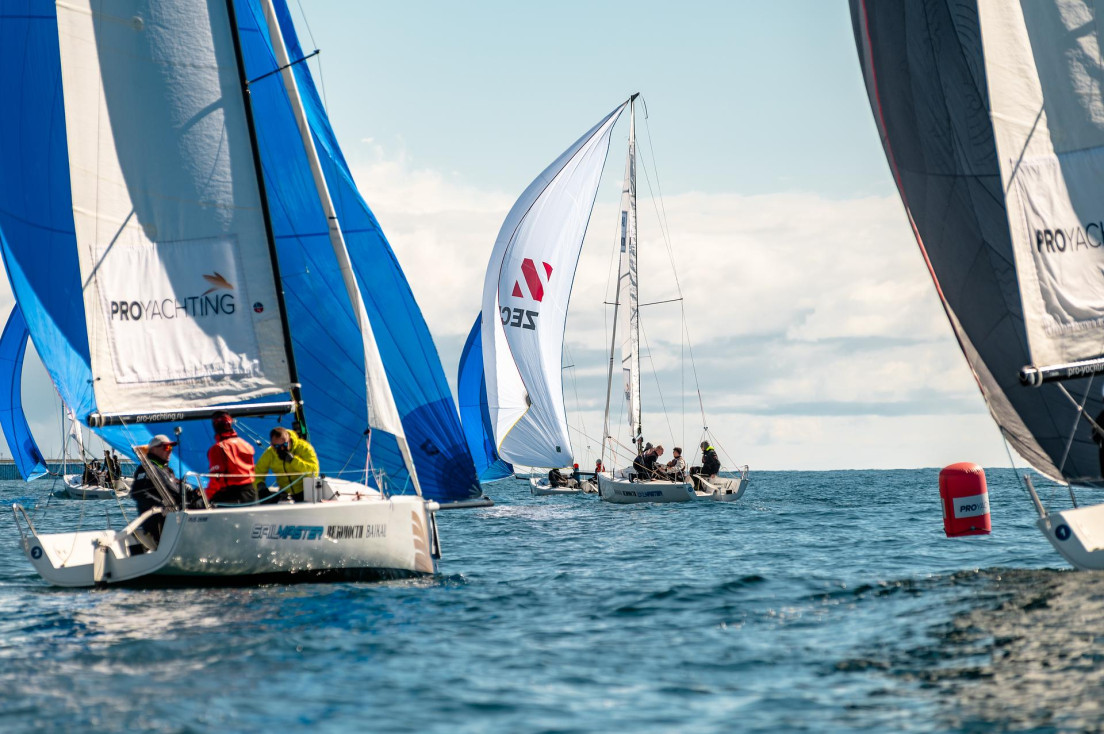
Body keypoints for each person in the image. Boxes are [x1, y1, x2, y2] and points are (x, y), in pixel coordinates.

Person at [130, 434, 178, 545]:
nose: (169, 451)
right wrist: (163, 506)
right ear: (153, 449)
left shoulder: (168, 471)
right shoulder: (146, 469)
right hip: (159, 524)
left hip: (176, 520)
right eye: (166, 447)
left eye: (171, 447)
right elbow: (138, 493)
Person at [254, 426, 319, 503]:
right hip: (285, 493)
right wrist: (260, 486)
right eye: (277, 446)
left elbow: (314, 471)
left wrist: (293, 460)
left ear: (289, 440)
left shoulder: (304, 447)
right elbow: (257, 473)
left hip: (305, 491)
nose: (281, 449)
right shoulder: (270, 453)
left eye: (284, 445)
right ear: (272, 445)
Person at [206, 411, 256, 505]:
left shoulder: (218, 448)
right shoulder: (245, 444)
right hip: (250, 492)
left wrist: (206, 497)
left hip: (231, 496)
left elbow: (217, 479)